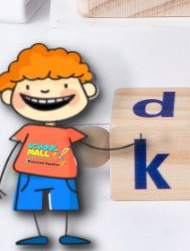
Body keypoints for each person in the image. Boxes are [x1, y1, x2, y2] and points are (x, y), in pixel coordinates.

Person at [0, 43, 130, 247]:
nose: (44, 90)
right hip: (32, 174)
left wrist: (123, 147)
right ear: (9, 95)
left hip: (62, 174)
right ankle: (38, 234)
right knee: (32, 204)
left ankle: (66, 233)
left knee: (64, 204)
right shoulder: (30, 130)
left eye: (64, 86)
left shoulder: (67, 133)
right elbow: (14, 151)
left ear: (87, 90)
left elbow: (94, 147)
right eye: (29, 87)